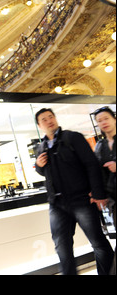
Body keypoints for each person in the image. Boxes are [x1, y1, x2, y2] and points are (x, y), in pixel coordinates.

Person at [34, 108, 114, 275]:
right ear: (39, 125)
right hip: (57, 205)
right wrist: (39, 167)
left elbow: (91, 165)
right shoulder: (40, 148)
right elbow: (45, 173)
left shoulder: (73, 138)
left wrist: (98, 194)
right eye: (44, 119)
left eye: (51, 117)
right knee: (62, 248)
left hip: (81, 200)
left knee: (98, 242)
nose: (49, 121)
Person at [93, 106, 116, 275]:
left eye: (106, 118)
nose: (103, 123)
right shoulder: (99, 146)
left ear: (114, 118)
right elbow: (95, 172)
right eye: (99, 121)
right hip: (113, 198)